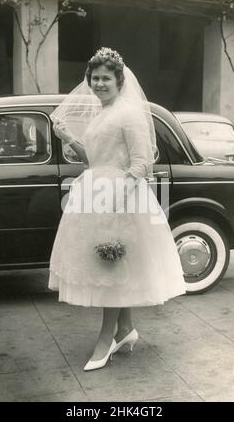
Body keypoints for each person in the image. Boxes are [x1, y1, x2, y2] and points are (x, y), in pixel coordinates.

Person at [48, 47, 186, 371]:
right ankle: (125, 330)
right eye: (94, 78)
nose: (98, 84)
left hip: (121, 195)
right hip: (96, 191)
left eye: (105, 78)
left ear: (119, 80)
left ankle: (105, 338)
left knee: (110, 265)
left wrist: (117, 200)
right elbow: (94, 160)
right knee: (108, 263)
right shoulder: (102, 112)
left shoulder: (128, 113)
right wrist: (67, 135)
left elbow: (141, 164)